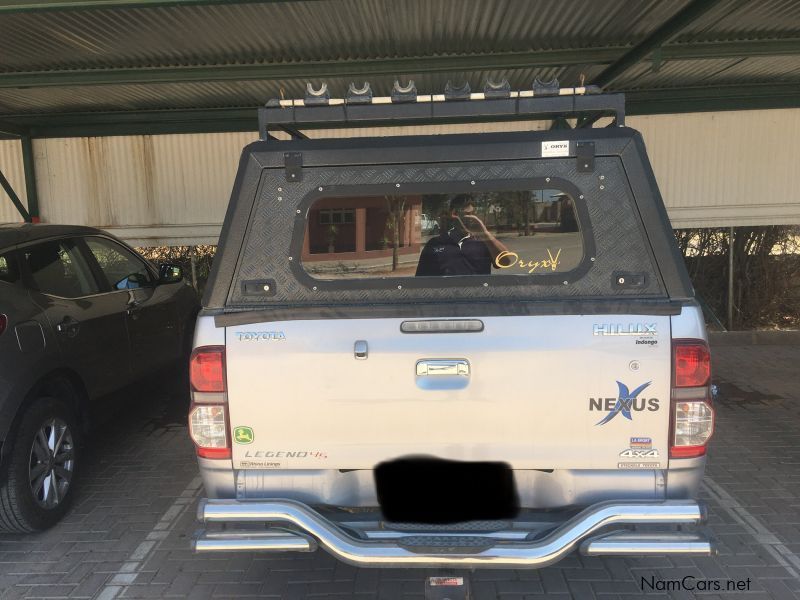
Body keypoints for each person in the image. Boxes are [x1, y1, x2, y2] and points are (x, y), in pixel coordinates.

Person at [415, 195, 512, 276]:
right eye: (466, 215)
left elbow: (506, 262)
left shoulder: (484, 242)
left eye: (473, 214)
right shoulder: (435, 244)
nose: (471, 218)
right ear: (453, 214)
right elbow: (421, 280)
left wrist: (485, 233)